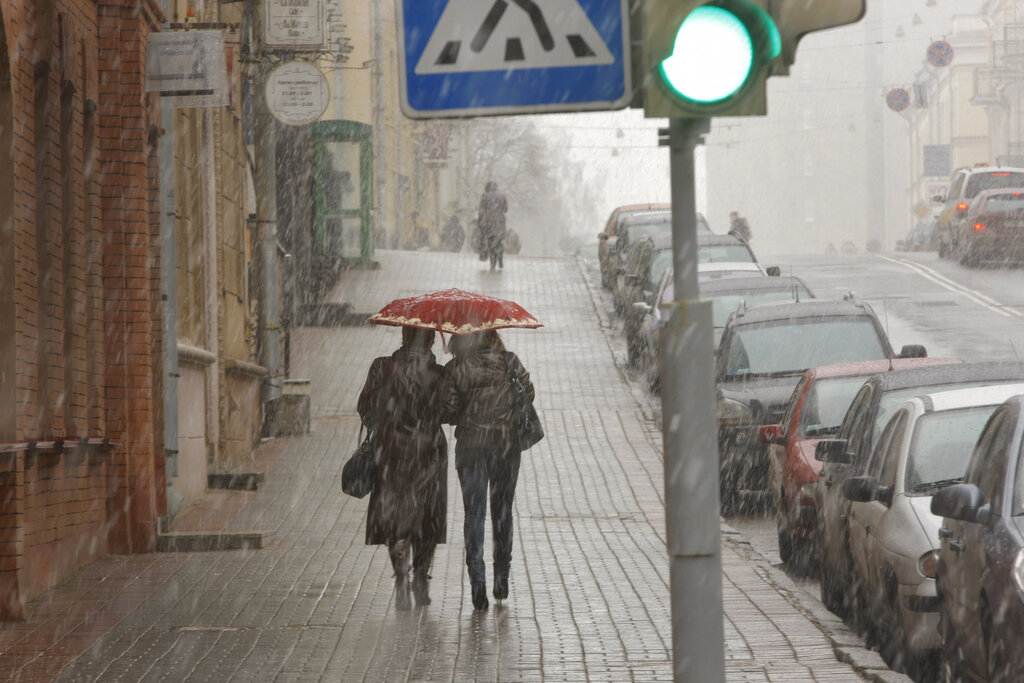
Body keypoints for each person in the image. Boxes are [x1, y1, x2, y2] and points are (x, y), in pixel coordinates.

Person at [440, 330, 535, 610]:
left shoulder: (456, 368)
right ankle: (501, 577)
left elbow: (447, 410)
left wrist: (468, 412)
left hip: (471, 448)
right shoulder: (509, 362)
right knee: (502, 510)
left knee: (475, 513)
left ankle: (477, 581)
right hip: (506, 447)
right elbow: (528, 393)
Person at [357, 327, 448, 611]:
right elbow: (449, 411)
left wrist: (382, 423)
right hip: (429, 451)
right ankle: (421, 576)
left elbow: (365, 406)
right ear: (431, 339)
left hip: (391, 450)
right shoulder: (439, 374)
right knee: (426, 513)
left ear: (404, 336)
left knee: (395, 511)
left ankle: (401, 575)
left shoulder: (382, 366)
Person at [477, 181, 508, 270]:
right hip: (500, 223)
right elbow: (506, 209)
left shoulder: (485, 196)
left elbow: (481, 211)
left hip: (489, 223)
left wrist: (480, 222)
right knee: (499, 242)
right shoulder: (502, 195)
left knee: (491, 243)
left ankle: (493, 263)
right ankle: (500, 258)